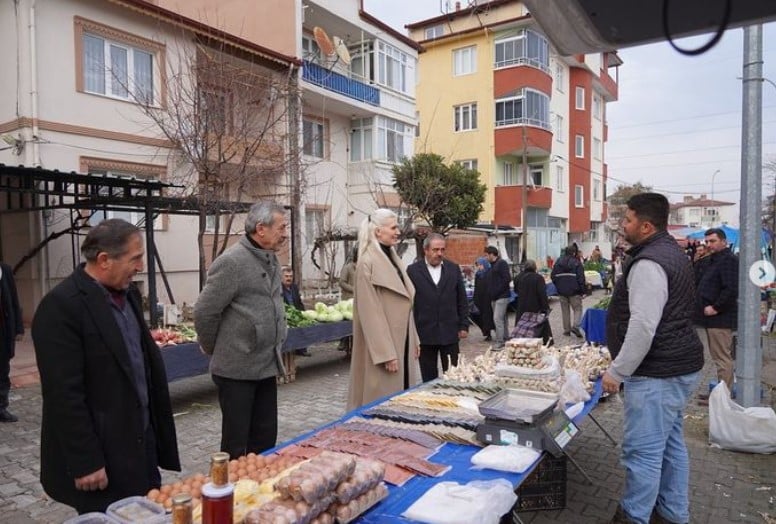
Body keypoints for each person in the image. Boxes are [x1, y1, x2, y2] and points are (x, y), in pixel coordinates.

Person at [32, 219, 180, 514]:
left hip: (139, 444)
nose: (140, 267)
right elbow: (64, 394)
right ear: (103, 260)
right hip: (102, 457)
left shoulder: (129, 296)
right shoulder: (61, 307)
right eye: (135, 259)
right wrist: (86, 461)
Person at [602, 193, 703, 524]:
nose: (623, 224)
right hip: (677, 366)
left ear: (646, 226)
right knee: (671, 446)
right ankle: (674, 515)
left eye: (628, 219)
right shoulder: (671, 251)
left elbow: (644, 326)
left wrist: (617, 371)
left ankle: (634, 516)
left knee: (642, 453)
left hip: (657, 372)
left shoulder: (649, 263)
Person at [194, 201, 288, 459]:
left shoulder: (271, 259)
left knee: (265, 438)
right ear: (261, 229)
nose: (285, 233)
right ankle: (233, 493)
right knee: (236, 445)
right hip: (237, 370)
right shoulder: (232, 262)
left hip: (266, 363)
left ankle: (259, 491)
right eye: (281, 227)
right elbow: (204, 311)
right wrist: (214, 347)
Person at [346, 209, 420, 409]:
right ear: (378, 232)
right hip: (384, 346)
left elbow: (406, 303)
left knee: (400, 395)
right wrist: (385, 353)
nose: (398, 231)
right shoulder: (367, 263)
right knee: (381, 401)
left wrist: (414, 338)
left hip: (401, 340)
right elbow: (370, 314)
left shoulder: (392, 257)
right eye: (393, 227)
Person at [407, 233, 469, 382]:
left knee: (454, 375)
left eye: (442, 249)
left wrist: (463, 325)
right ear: (426, 250)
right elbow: (409, 303)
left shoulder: (453, 269)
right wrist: (412, 332)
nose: (439, 253)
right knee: (428, 377)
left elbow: (462, 299)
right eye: (435, 250)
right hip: (425, 333)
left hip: (449, 332)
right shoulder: (413, 271)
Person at [694, 228, 738, 399]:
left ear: (723, 242)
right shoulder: (712, 260)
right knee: (717, 357)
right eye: (707, 242)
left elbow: (731, 288)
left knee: (722, 358)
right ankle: (720, 393)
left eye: (713, 241)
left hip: (720, 318)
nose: (709, 245)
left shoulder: (729, 260)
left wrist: (716, 307)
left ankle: (724, 396)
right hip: (710, 318)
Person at [0, 262, 24, 423]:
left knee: (2, 370)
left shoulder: (5, 270)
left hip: (3, 329)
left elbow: (14, 300)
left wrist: (18, 328)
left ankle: (1, 407)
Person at [513, 260, 553, 345]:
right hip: (535, 306)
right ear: (535, 268)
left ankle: (521, 342)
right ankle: (545, 342)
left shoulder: (518, 277)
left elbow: (515, 290)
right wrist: (545, 308)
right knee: (539, 326)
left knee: (522, 326)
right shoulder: (538, 278)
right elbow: (542, 294)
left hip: (522, 306)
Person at [551, 245, 585, 337]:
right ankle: (576, 326)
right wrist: (583, 291)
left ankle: (567, 330)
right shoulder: (577, 263)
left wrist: (558, 285)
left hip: (562, 291)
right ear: (574, 253)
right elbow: (581, 278)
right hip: (575, 291)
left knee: (565, 310)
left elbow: (553, 276)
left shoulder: (558, 262)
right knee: (578, 309)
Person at [484, 246, 511, 348]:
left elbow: (506, 279)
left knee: (497, 319)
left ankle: (500, 341)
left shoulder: (501, 263)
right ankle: (505, 337)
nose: (486, 258)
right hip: (495, 297)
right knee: (502, 318)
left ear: (492, 254)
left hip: (502, 296)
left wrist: (497, 291)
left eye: (486, 255)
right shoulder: (492, 265)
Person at [281, 266, 309, 357]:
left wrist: (303, 313)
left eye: (290, 276)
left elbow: (299, 302)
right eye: (286, 276)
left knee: (304, 326)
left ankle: (301, 349)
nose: (289, 278)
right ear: (281, 277)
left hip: (296, 314)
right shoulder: (278, 289)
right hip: (285, 316)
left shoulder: (294, 287)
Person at [338, 246, 357, 353]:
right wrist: (354, 289)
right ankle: (344, 344)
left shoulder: (363, 267)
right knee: (348, 327)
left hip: (360, 302)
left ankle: (354, 350)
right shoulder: (347, 268)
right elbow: (341, 282)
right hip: (348, 301)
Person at [472, 257, 494, 341]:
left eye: (480, 265)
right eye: (478, 265)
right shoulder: (478, 274)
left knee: (487, 317)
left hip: (487, 298)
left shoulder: (489, 273)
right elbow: (476, 287)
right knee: (479, 316)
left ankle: (489, 333)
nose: (479, 267)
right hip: (479, 298)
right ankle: (485, 332)